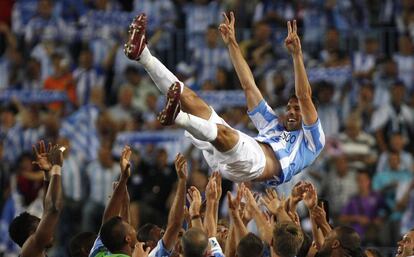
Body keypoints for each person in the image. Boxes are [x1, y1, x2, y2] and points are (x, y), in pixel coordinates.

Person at [124, 12, 324, 186]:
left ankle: (177, 118)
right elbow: (248, 86)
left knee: (223, 132)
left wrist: (297, 55)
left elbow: (304, 96)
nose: (291, 111)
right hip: (229, 158)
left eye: (297, 109)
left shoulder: (313, 141)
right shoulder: (272, 124)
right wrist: (232, 44)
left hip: (255, 163)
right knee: (193, 100)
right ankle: (144, 55)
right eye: (290, 107)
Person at [8, 141, 64, 257]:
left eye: (41, 222)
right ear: (31, 233)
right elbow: (53, 209)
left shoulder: (36, 250)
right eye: (40, 223)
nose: (47, 226)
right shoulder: (30, 249)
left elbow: (48, 210)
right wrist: (57, 167)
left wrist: (47, 173)